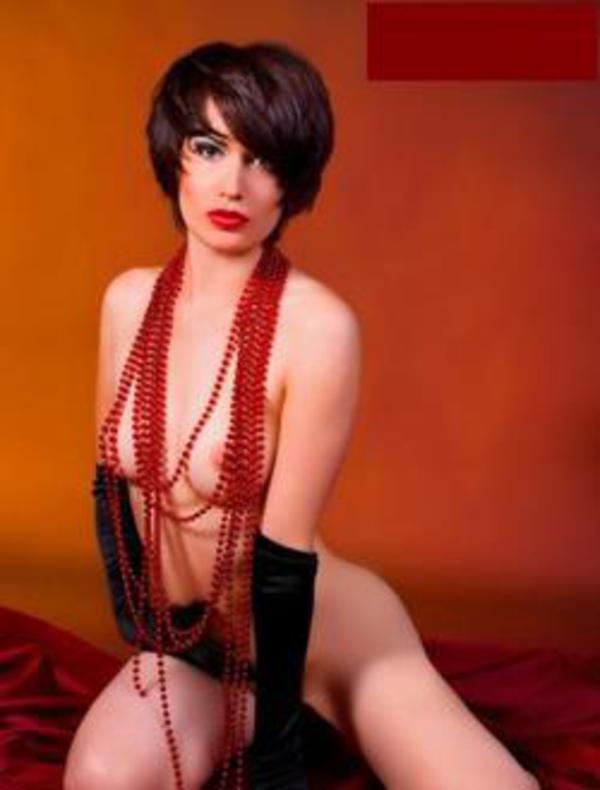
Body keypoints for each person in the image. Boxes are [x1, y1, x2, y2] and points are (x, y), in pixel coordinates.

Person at [63, 41, 540, 790]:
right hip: (198, 648)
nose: (233, 184)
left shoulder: (317, 327)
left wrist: (276, 753)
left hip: (324, 635)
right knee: (100, 778)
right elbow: (109, 489)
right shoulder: (128, 302)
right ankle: (248, 708)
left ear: (293, 180)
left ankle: (303, 715)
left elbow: (284, 566)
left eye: (263, 159)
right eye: (209, 147)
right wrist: (147, 636)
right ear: (173, 154)